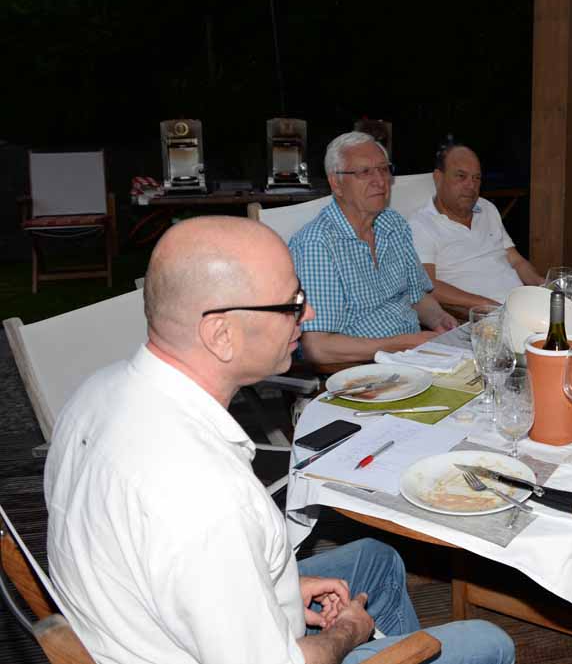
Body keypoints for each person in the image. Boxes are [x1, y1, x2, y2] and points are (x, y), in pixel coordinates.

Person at [44, 216, 515, 664]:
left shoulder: (97, 391)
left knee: (377, 559)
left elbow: (172, 567)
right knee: (487, 641)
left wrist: (280, 589)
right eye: (290, 304)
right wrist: (346, 633)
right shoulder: (205, 498)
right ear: (220, 334)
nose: (308, 313)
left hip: (141, 624)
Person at [289, 132, 459, 364]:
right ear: (336, 183)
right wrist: (401, 344)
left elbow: (416, 296)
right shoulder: (317, 244)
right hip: (358, 368)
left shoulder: (393, 224)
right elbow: (317, 347)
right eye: (364, 172)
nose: (380, 180)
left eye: (383, 169)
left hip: (411, 355)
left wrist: (440, 319)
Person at [408, 143, 543, 308]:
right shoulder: (421, 225)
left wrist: (543, 285)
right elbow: (427, 285)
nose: (471, 185)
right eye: (461, 176)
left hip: (521, 305)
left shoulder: (487, 208)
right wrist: (488, 306)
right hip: (478, 316)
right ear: (438, 178)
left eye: (476, 178)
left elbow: (516, 262)